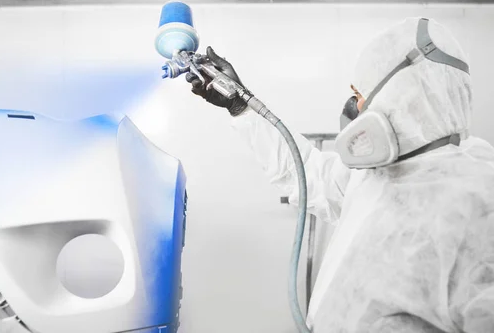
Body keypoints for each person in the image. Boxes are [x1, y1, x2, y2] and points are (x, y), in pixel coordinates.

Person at [186, 17, 494, 332]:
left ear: (404, 95)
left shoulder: (479, 200)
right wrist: (240, 105)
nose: (354, 107)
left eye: (360, 94)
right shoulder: (376, 175)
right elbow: (306, 176)